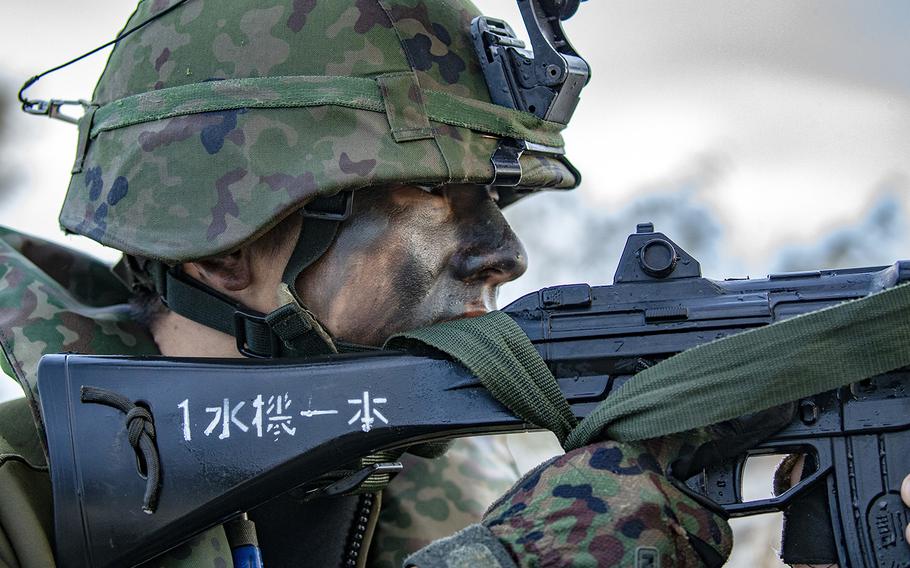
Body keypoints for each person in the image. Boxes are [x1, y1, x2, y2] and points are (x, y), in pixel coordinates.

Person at [0, 1, 905, 567]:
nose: (505, 253)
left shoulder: (485, 473)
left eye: (499, 199)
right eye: (432, 191)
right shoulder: (21, 505)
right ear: (221, 245)